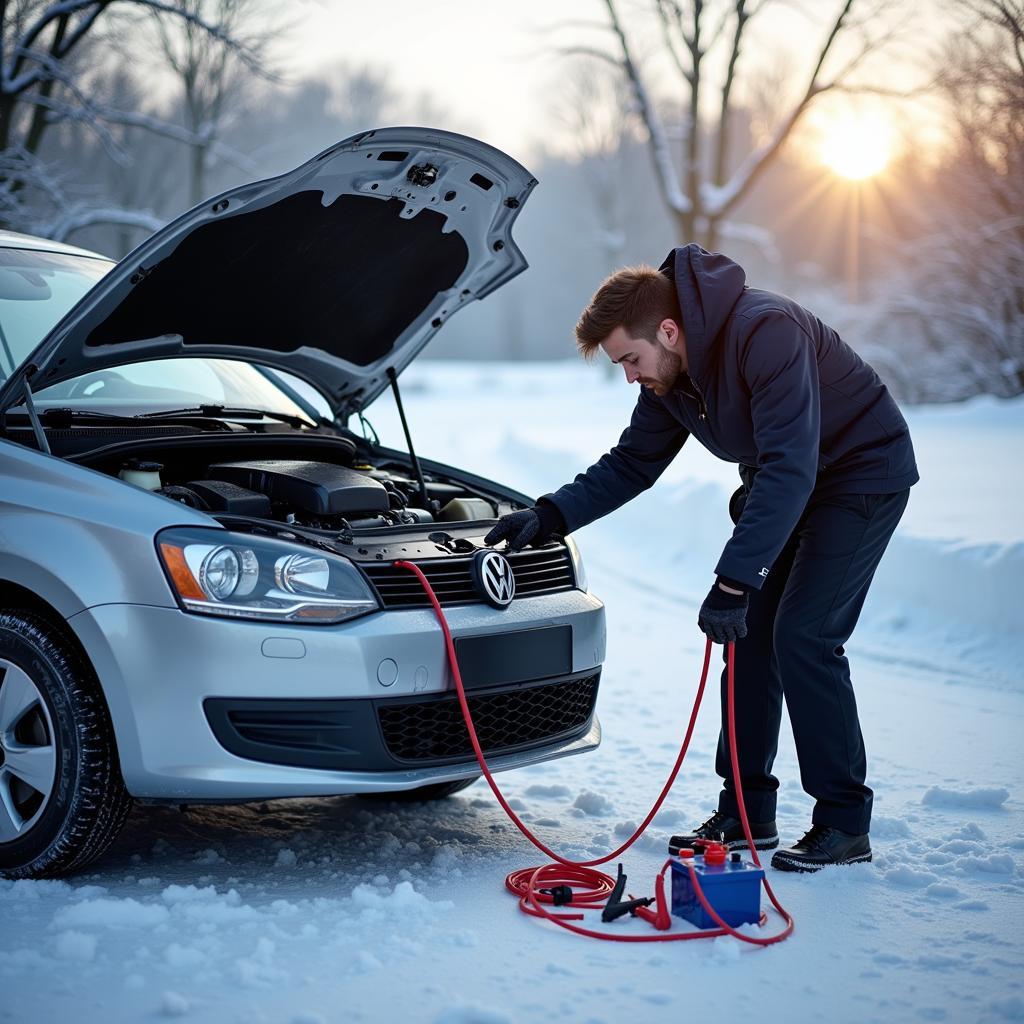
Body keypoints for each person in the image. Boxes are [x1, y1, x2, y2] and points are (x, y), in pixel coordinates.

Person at [484, 244, 919, 873]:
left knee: (803, 636)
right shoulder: (672, 374)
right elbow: (634, 462)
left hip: (859, 477)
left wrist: (736, 579)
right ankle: (746, 812)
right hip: (789, 483)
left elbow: (790, 466)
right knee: (748, 642)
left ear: (667, 330)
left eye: (629, 359)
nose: (629, 375)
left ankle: (844, 823)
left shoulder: (765, 330)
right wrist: (550, 515)